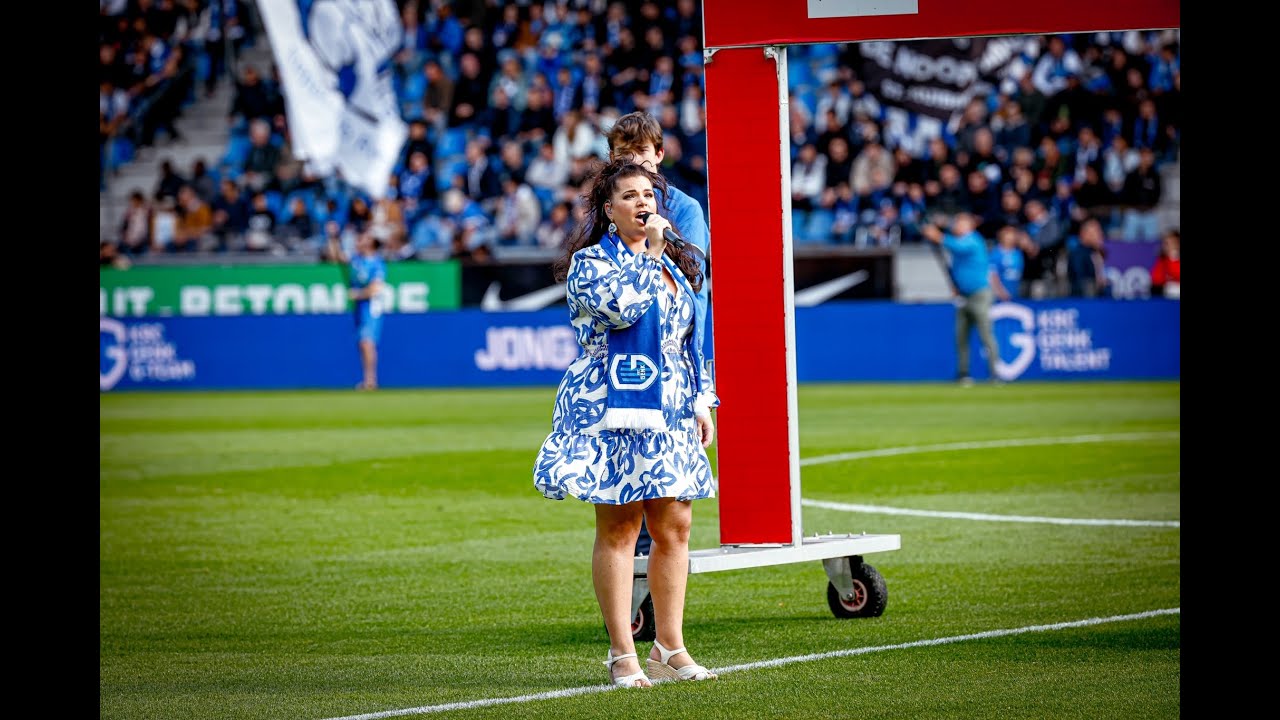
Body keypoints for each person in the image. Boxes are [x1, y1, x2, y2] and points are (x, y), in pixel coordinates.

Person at [532, 160, 718, 688]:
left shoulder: (675, 266)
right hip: (609, 407)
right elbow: (624, 311)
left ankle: (670, 646)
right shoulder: (591, 264)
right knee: (619, 527)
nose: (643, 204)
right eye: (631, 196)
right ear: (609, 211)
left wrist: (701, 400)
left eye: (649, 195)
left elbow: (690, 337)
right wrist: (652, 254)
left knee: (675, 525)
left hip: (670, 405)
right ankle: (622, 653)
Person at [605, 111, 713, 562]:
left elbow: (695, 296)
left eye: (640, 154)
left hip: (670, 366)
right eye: (621, 155)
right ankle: (633, 601)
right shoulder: (605, 209)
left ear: (660, 156)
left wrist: (700, 387)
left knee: (667, 498)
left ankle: (650, 600)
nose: (631, 161)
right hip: (620, 367)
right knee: (623, 496)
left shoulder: (684, 211)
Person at [922, 212, 1001, 386]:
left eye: (960, 223)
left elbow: (957, 247)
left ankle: (995, 373)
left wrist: (938, 236)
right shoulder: (958, 241)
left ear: (969, 225)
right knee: (961, 337)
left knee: (986, 334)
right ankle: (963, 373)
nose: (956, 225)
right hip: (963, 295)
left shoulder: (973, 240)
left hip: (980, 294)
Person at [327, 230, 387, 390]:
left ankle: (371, 380)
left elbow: (376, 288)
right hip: (359, 307)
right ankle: (367, 379)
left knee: (368, 342)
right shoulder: (357, 260)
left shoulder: (377, 263)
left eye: (363, 239)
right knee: (362, 343)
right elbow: (335, 257)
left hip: (370, 306)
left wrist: (359, 294)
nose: (358, 242)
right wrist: (333, 237)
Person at [1150, 229, 1180, 298]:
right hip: (1167, 296)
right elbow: (1156, 281)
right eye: (1166, 243)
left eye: (1172, 242)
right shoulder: (1162, 260)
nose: (1168, 246)